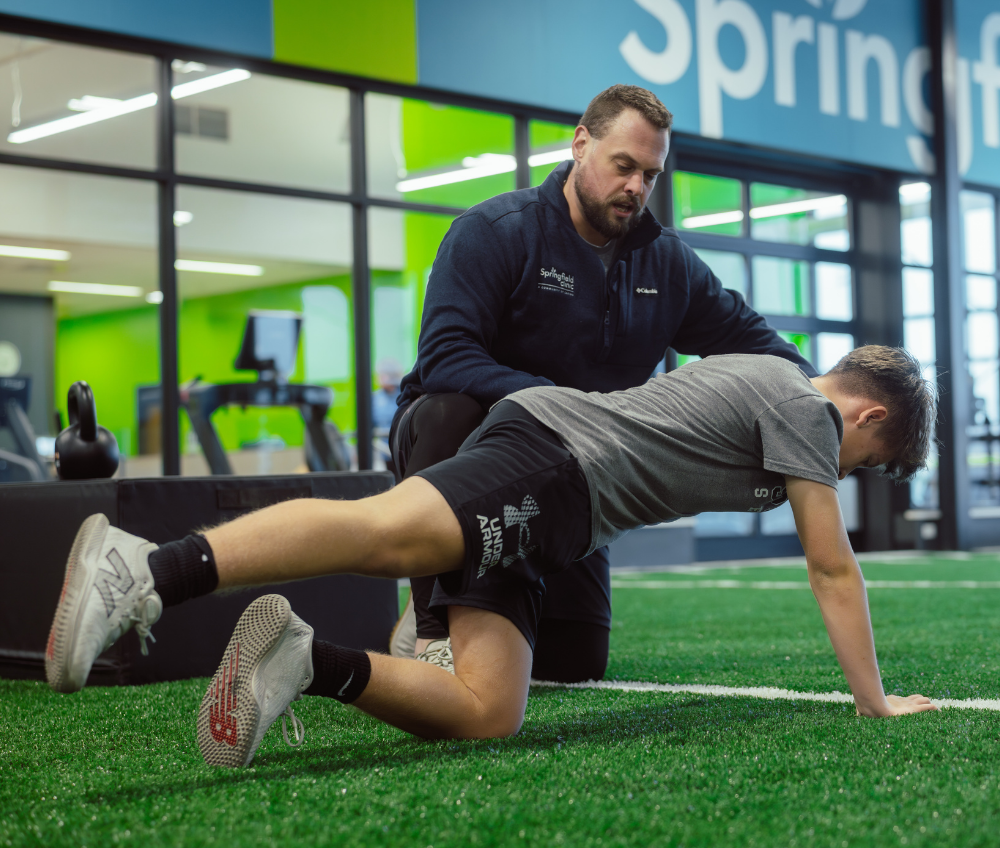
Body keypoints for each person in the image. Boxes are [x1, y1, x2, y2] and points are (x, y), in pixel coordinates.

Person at [46, 346, 938, 768]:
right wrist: (875, 700)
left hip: (559, 512)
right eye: (875, 463)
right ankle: (146, 568)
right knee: (383, 530)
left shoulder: (775, 386)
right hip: (554, 463)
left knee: (488, 711)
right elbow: (830, 566)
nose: (855, 474)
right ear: (868, 420)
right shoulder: (805, 408)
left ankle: (300, 661)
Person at [389, 84, 817, 682]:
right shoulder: (495, 231)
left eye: (651, 174)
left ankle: (484, 598)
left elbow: (753, 340)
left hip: (576, 464)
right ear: (582, 144)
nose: (637, 188)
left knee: (574, 665)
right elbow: (445, 357)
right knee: (445, 411)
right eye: (624, 167)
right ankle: (434, 620)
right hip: (466, 441)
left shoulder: (667, 264)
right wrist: (567, 407)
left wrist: (825, 398)